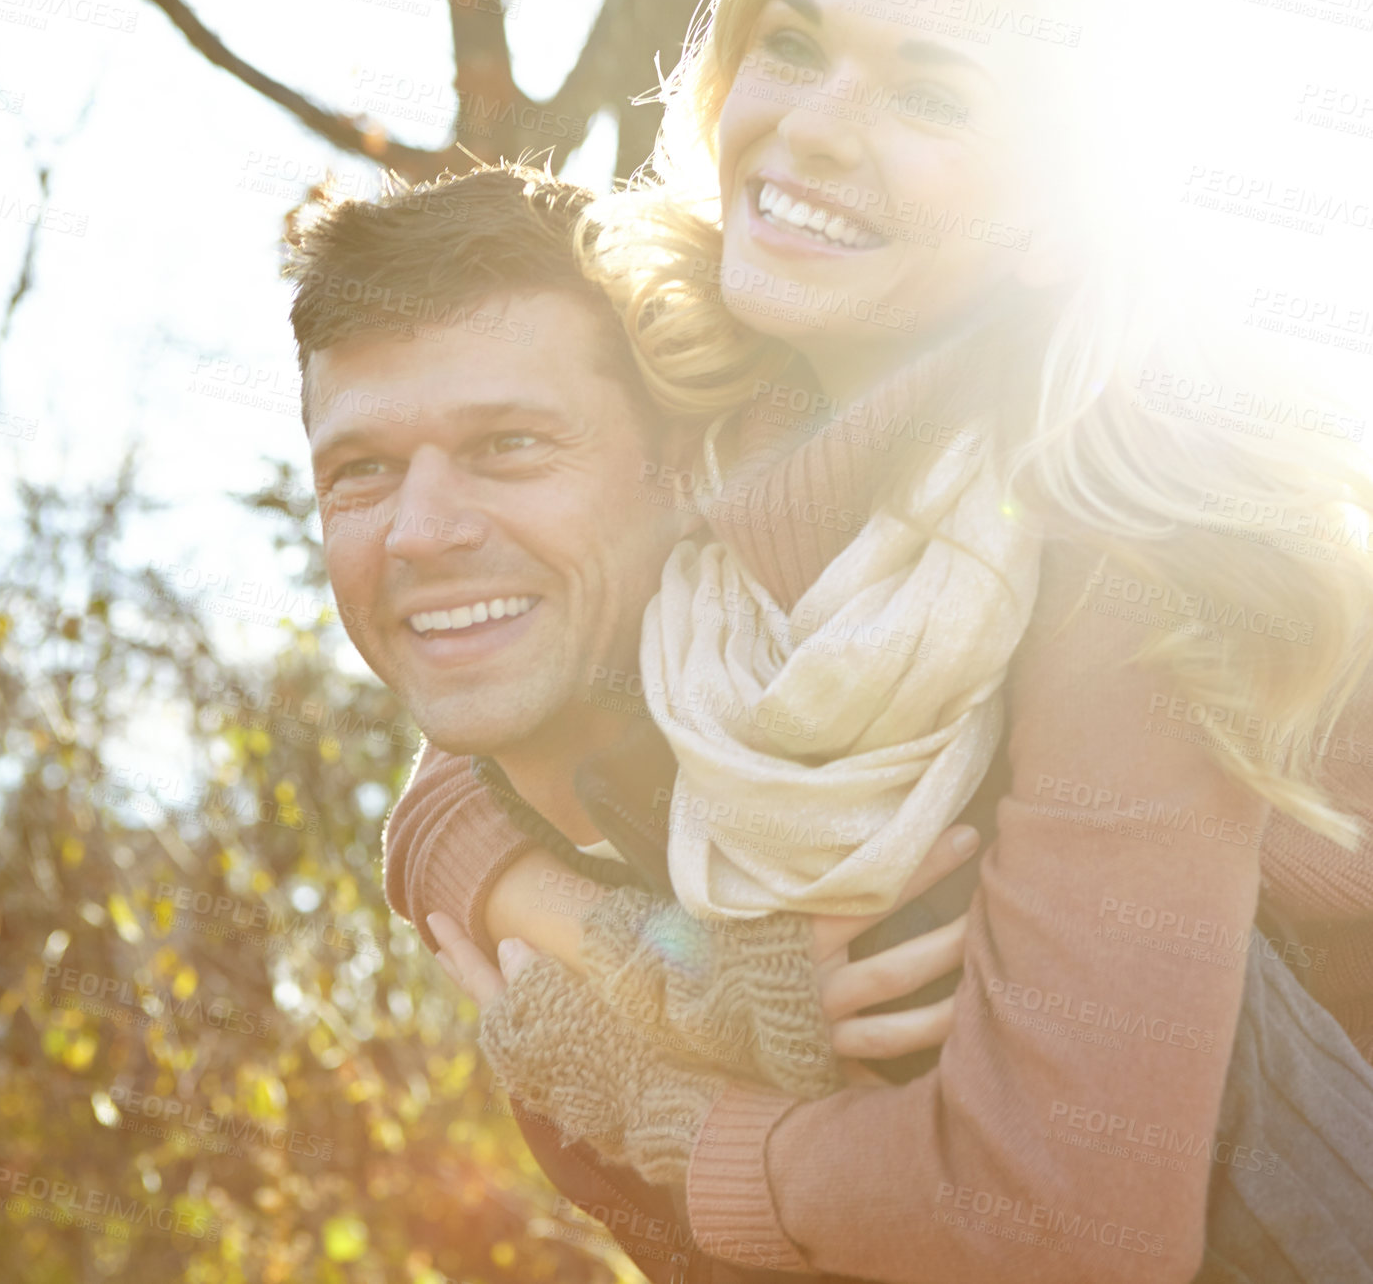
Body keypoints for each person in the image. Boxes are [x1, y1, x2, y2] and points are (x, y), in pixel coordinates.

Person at [382, 0, 1373, 1279]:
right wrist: (591, 933)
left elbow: (1067, 1227)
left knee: (912, 933)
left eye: (933, 97)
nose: (814, 130)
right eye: (791, 48)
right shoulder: (694, 424)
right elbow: (477, 701)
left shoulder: (1127, 535)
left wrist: (694, 1118)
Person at [285, 164, 979, 1283]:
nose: (417, 530)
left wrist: (667, 1094)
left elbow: (1049, 1223)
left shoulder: (879, 719)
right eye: (359, 471)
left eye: (507, 443)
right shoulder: (538, 978)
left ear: (675, 465)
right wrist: (643, 1021)